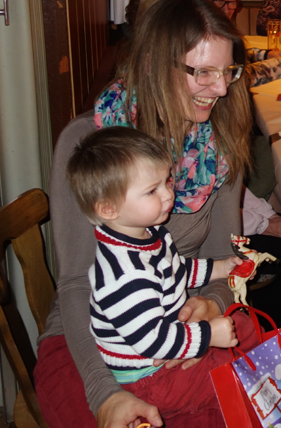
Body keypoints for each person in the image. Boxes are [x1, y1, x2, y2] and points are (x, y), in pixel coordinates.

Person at [34, 0, 281, 428]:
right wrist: (104, 393)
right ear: (154, 66)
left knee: (272, 406)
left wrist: (210, 305)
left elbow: (221, 255)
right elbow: (76, 284)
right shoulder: (89, 145)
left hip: (185, 313)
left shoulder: (219, 142)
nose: (221, 89)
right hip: (94, 341)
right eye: (203, 73)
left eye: (228, 72)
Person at [68, 126, 249, 418]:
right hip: (149, 378)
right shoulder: (125, 274)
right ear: (109, 209)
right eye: (152, 191)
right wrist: (207, 335)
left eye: (167, 181)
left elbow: (175, 271)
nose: (168, 195)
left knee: (245, 326)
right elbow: (152, 340)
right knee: (234, 374)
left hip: (167, 343)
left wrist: (220, 268)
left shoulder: (150, 233)